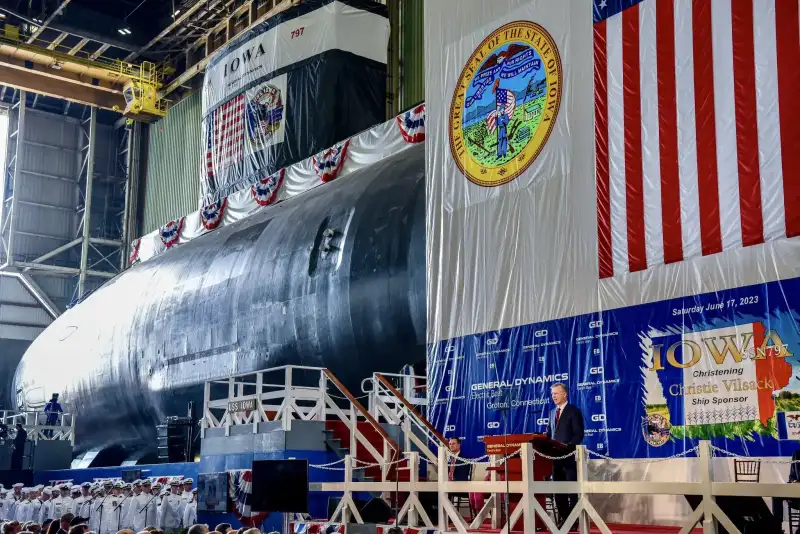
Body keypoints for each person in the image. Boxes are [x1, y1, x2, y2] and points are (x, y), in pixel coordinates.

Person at [545, 382, 584, 531]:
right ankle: (566, 519)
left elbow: (578, 435)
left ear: (564, 394)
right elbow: (549, 435)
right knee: (558, 491)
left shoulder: (574, 411)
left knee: (571, 491)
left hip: (568, 458)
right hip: (555, 459)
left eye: (556, 393)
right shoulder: (551, 413)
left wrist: (567, 447)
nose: (553, 396)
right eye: (552, 394)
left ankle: (573, 521)